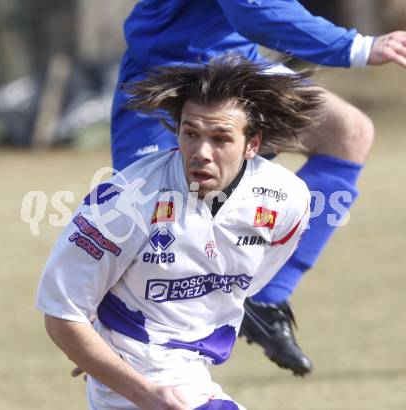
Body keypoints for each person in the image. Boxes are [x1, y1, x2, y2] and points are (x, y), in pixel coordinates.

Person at [110, 0, 406, 376]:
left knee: (346, 132)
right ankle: (110, 329)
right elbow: (253, 8)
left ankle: (266, 298)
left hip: (237, 65)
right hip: (170, 72)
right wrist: (356, 46)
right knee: (153, 217)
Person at [36, 56, 322, 409]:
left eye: (220, 138)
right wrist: (138, 388)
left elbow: (254, 277)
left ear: (252, 144)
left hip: (194, 370)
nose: (201, 152)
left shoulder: (286, 198)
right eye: (191, 134)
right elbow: (62, 315)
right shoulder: (125, 202)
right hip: (142, 377)